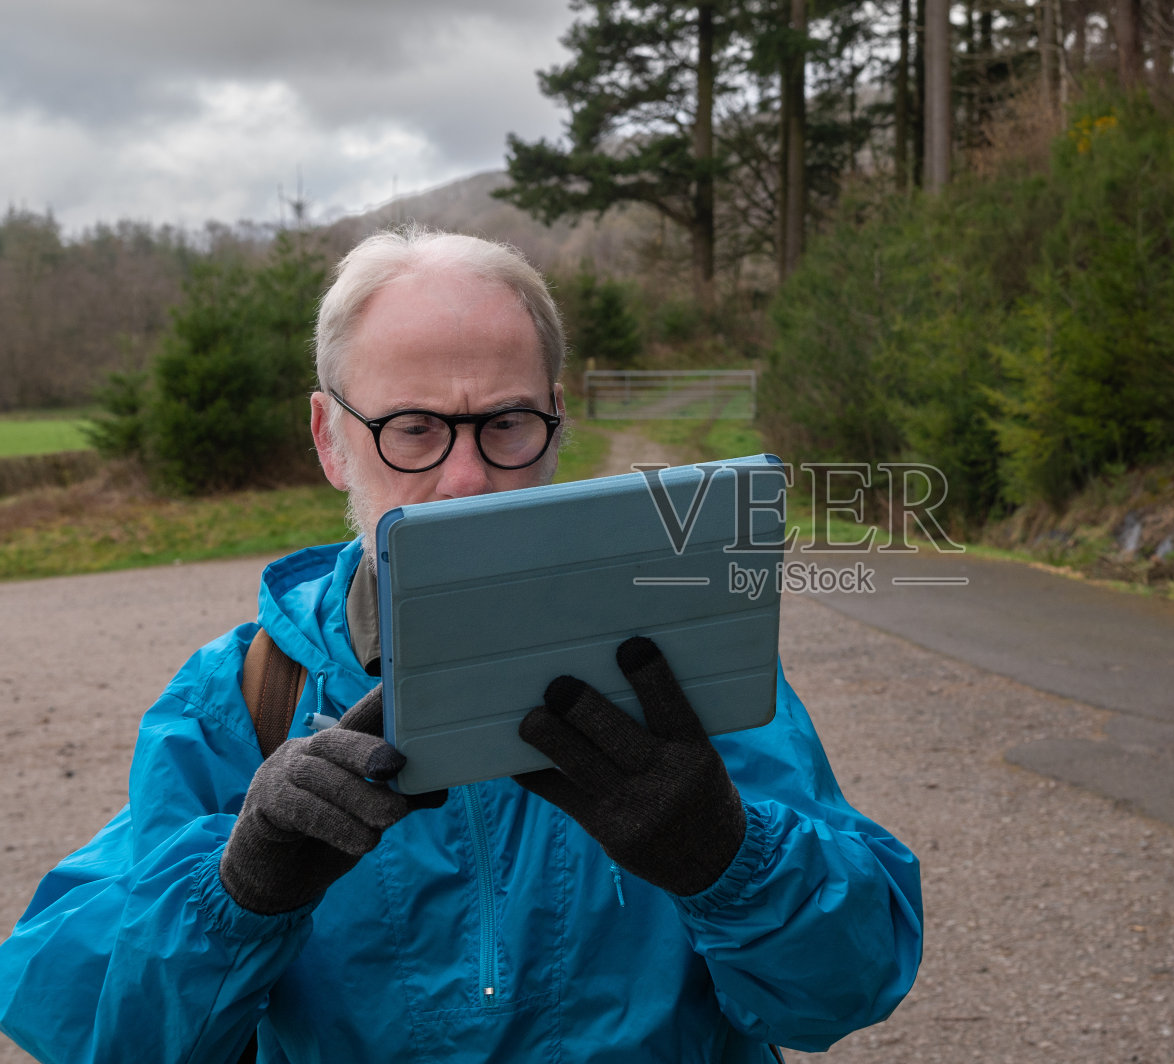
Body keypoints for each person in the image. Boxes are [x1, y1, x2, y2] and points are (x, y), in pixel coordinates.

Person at [0, 227, 923, 1062]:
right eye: (413, 429)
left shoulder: (683, 667)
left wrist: (730, 858)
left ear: (557, 421)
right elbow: (82, 1023)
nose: (468, 480)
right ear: (330, 438)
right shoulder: (237, 699)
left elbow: (843, 995)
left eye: (507, 423)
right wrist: (239, 892)